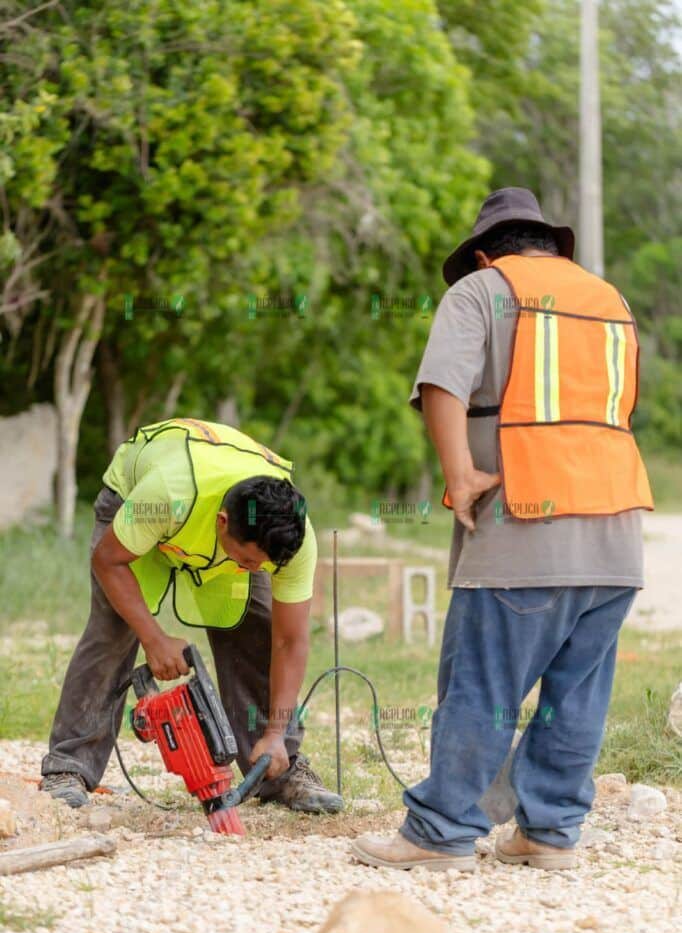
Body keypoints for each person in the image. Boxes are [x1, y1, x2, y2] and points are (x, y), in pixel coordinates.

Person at [352, 187, 653, 872]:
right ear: (551, 244)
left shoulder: (482, 292)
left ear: (486, 254)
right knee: (576, 694)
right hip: (616, 533)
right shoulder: (611, 300)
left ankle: (440, 835)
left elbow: (442, 387)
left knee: (481, 688)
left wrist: (459, 477)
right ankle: (549, 833)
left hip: (525, 527)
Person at [41, 417, 342, 814]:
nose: (256, 569)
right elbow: (109, 560)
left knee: (257, 629)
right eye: (250, 560)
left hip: (216, 525)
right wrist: (154, 638)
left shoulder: (288, 537)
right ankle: (69, 768)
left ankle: (277, 767)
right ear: (223, 525)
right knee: (114, 628)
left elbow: (290, 641)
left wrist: (275, 731)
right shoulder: (167, 493)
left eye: (264, 566)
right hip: (144, 506)